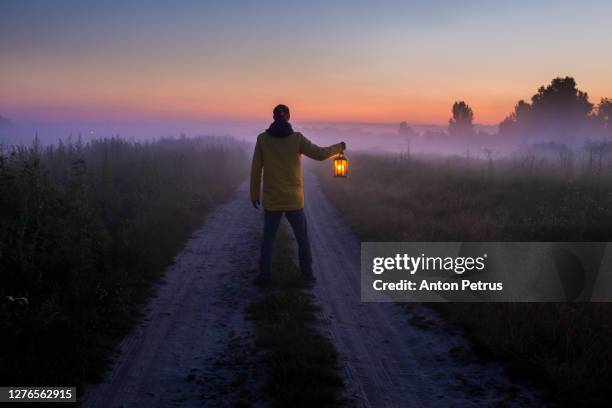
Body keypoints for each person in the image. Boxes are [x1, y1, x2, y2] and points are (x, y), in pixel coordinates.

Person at [250, 104, 345, 286]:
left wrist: (254, 194)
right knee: (302, 239)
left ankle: (265, 278)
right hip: (294, 200)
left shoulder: (262, 139)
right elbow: (319, 154)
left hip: (272, 200)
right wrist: (339, 147)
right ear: (289, 117)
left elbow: (256, 170)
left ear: (273, 117)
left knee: (268, 240)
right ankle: (307, 276)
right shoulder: (297, 139)